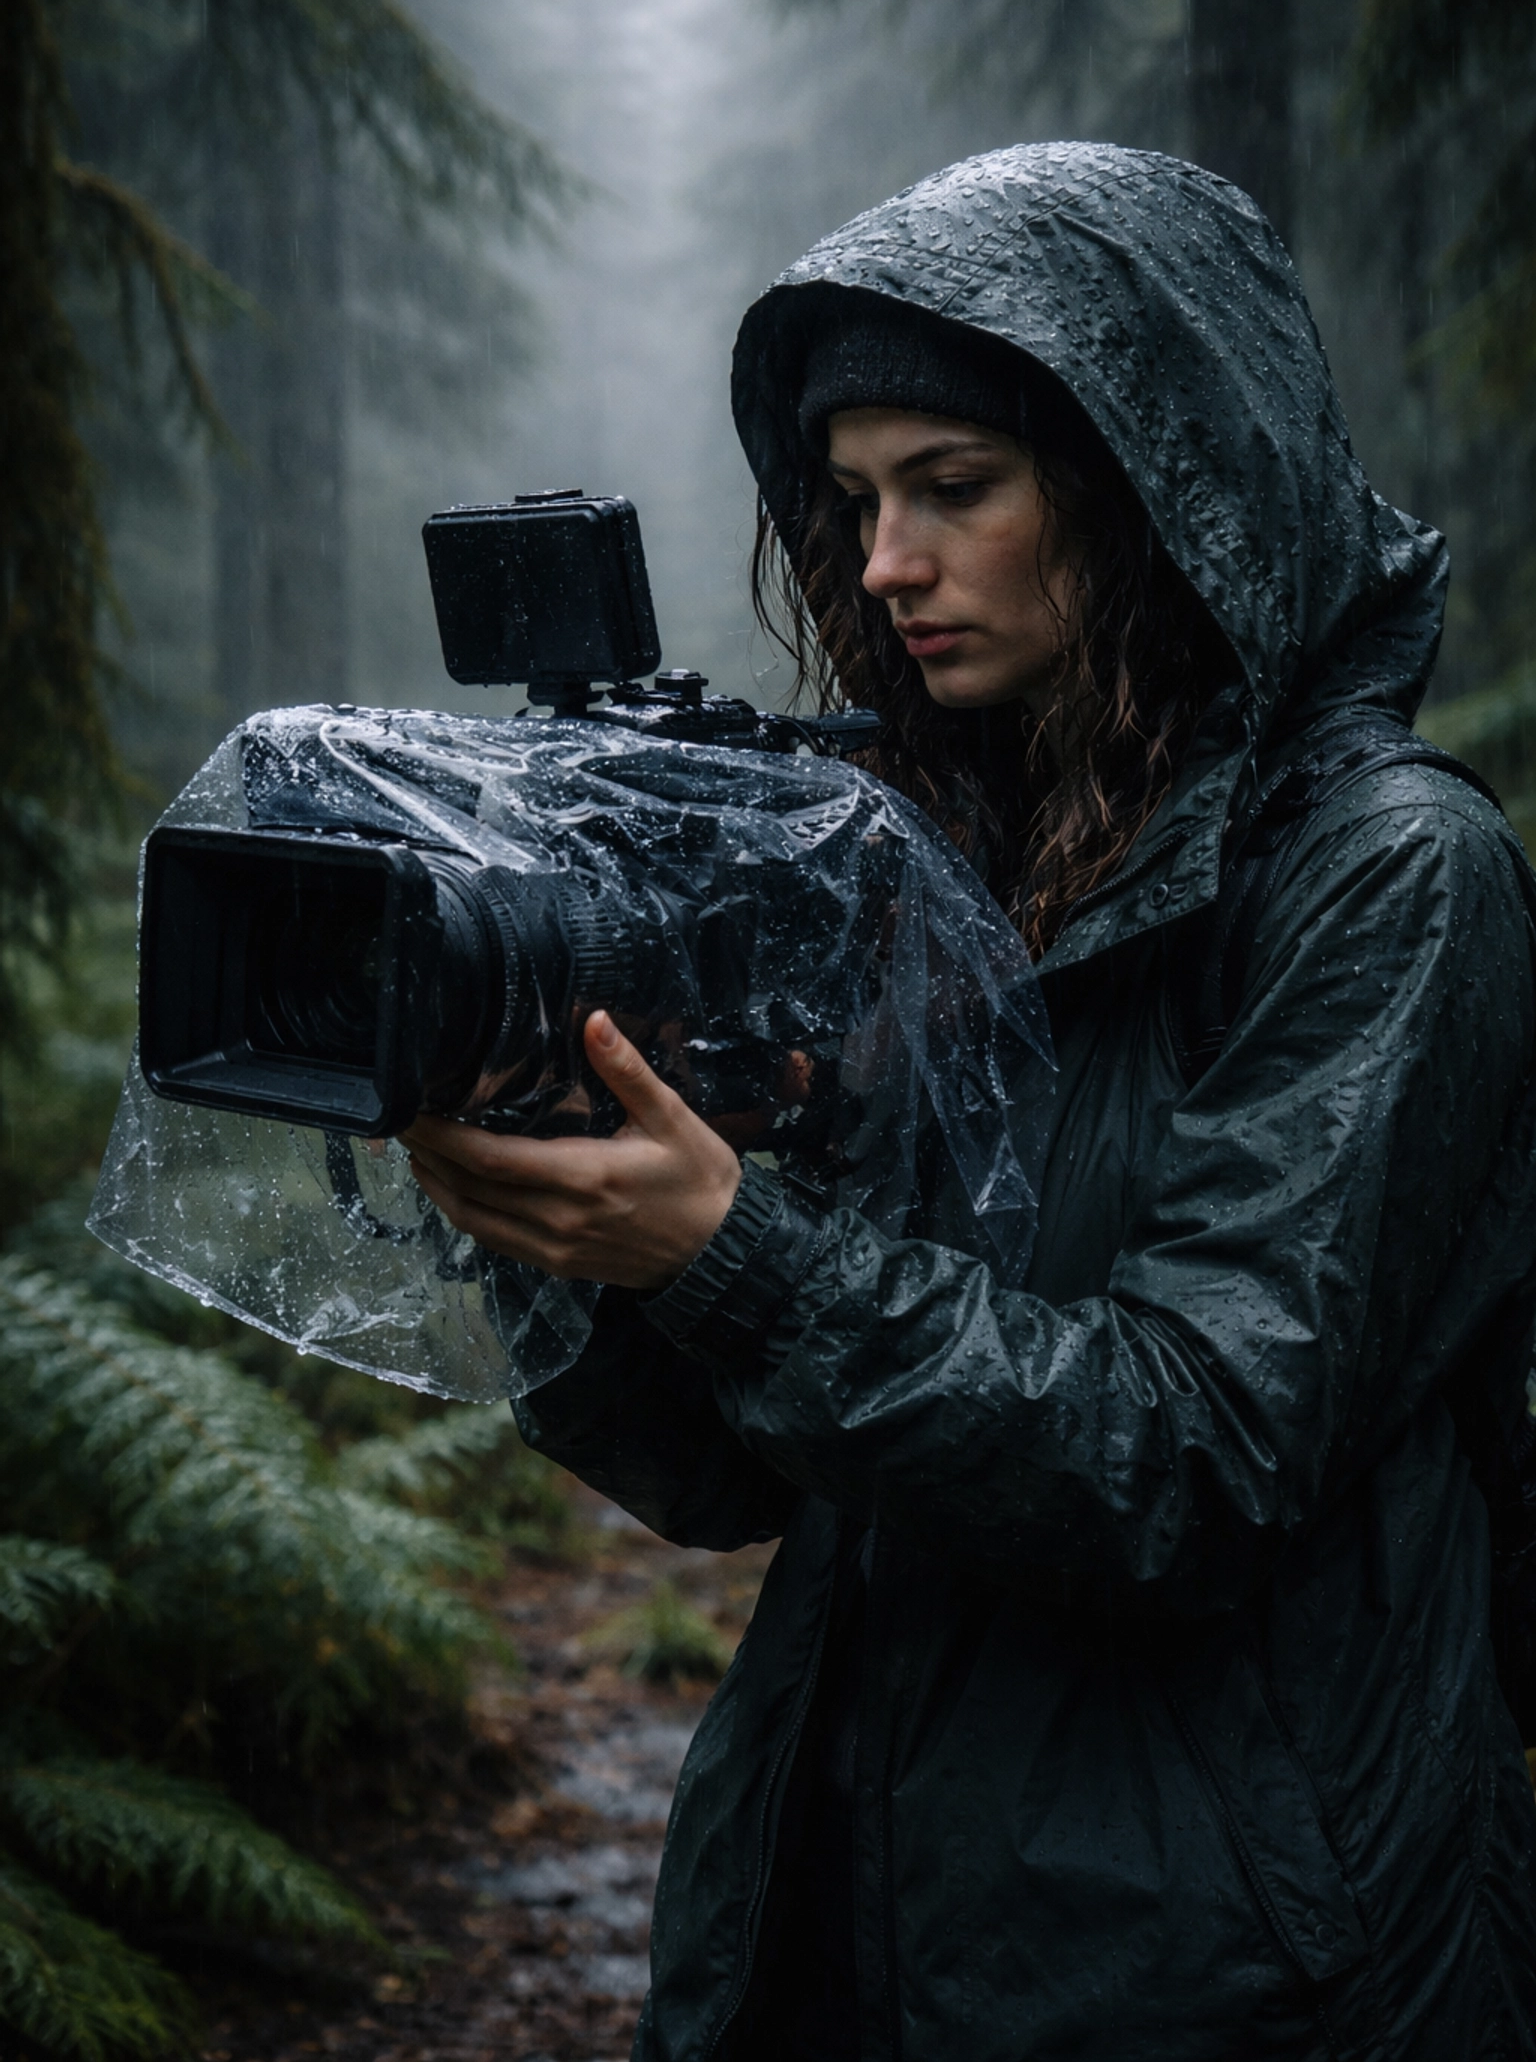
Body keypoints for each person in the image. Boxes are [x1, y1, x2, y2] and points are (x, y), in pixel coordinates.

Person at [401, 144, 1536, 2060]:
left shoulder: (1390, 878)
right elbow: (725, 1477)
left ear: (1155, 481)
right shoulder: (928, 856)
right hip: (850, 1916)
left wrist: (740, 1258)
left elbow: (1197, 1459)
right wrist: (580, 1203)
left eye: (955, 488)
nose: (883, 565)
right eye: (851, 503)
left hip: (1238, 1978)